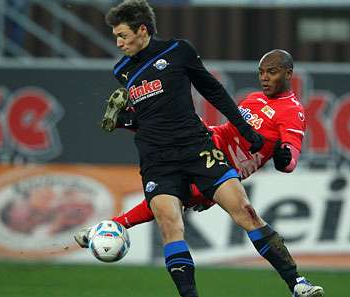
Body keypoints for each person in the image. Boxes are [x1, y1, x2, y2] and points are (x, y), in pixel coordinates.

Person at [75, 1, 323, 297]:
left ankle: (297, 283)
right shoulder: (123, 71)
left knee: (246, 212)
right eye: (115, 35)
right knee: (170, 223)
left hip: (198, 148)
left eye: (123, 35)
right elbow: (154, 116)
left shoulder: (178, 51)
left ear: (142, 30)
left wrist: (254, 137)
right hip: (159, 156)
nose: (118, 42)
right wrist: (127, 121)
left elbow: (213, 90)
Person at [112, 49, 307, 230]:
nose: (264, 78)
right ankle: (131, 117)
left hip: (224, 168)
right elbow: (229, 130)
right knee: (181, 119)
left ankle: (112, 226)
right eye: (261, 72)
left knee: (167, 195)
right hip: (211, 140)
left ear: (288, 74)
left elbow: (291, 161)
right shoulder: (254, 98)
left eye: (271, 72)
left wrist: (284, 160)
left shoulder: (292, 111)